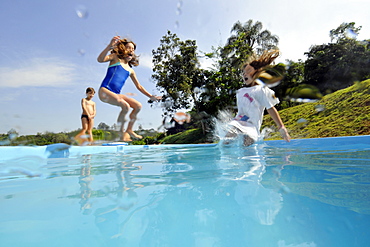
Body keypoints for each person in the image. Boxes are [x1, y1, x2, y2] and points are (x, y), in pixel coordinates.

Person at [97, 36, 161, 142]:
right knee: (125, 106)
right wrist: (109, 46)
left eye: (133, 49)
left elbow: (139, 86)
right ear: (122, 49)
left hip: (116, 94)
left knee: (138, 106)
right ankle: (120, 133)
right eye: (128, 48)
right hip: (105, 91)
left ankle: (129, 129)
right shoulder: (115, 58)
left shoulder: (131, 70)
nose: (131, 50)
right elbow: (100, 59)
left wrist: (151, 96)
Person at [224, 50, 291, 146]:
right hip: (238, 124)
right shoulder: (240, 92)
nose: (244, 74)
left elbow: (271, 108)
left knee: (247, 149)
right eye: (243, 73)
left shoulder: (261, 90)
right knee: (224, 143)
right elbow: (242, 110)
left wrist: (281, 127)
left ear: (257, 72)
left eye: (248, 70)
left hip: (251, 127)